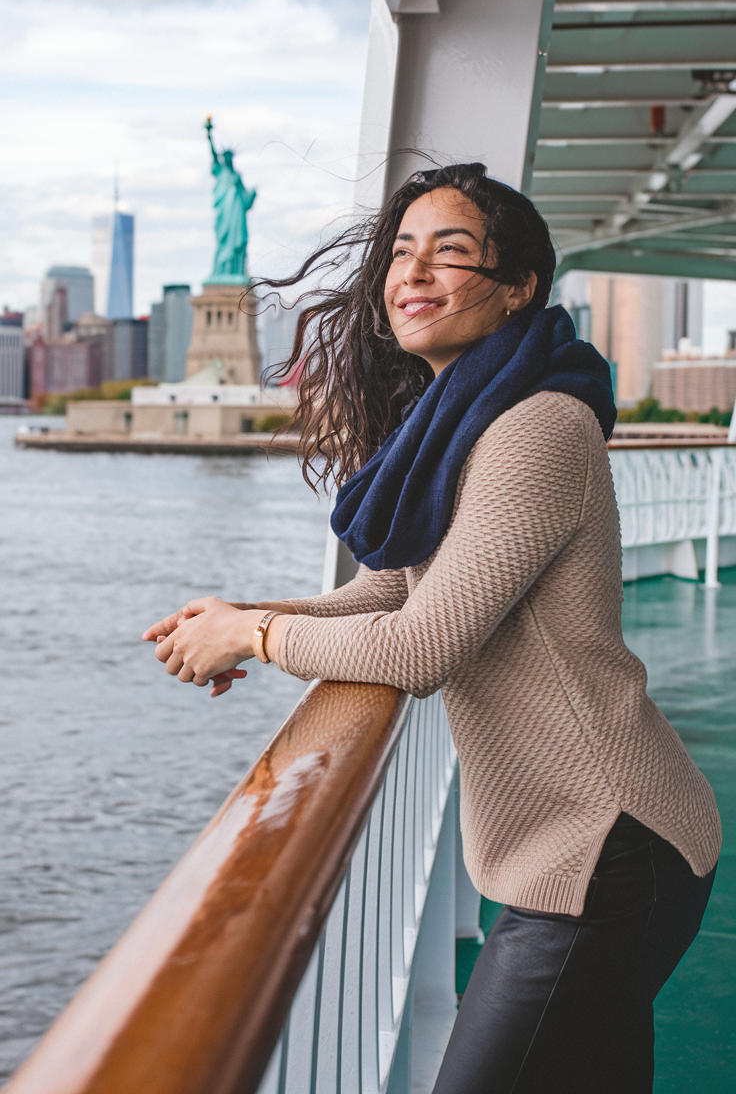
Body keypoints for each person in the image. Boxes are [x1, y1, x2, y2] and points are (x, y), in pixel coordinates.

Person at [143, 163, 720, 1093]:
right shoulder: (458, 420)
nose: (413, 273)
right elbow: (389, 593)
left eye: (449, 252)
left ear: (519, 285)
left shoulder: (537, 427)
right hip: (578, 849)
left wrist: (253, 640)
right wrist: (247, 614)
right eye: (401, 253)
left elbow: (419, 648)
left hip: (605, 852)